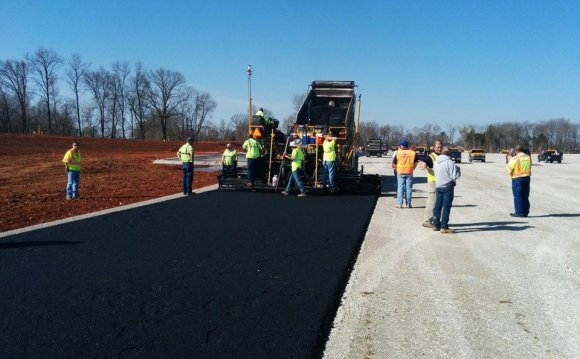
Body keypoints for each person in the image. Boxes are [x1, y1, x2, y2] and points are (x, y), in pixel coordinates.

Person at [431, 146, 461, 233]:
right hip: (448, 187)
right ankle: (444, 227)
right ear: (449, 153)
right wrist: (458, 170)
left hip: (438, 186)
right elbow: (455, 176)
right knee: (446, 207)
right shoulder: (450, 163)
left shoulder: (436, 161)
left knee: (437, 206)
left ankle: (436, 224)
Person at [420, 140, 443, 227]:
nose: (439, 148)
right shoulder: (431, 157)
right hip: (433, 182)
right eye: (438, 147)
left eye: (440, 147)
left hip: (441, 182)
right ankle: (427, 221)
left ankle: (435, 220)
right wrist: (423, 164)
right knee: (432, 202)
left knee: (438, 203)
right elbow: (423, 160)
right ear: (434, 147)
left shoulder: (442, 156)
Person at [506, 145, 532, 217]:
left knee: (518, 196)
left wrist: (509, 159)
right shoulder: (528, 157)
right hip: (527, 178)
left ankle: (519, 212)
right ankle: (525, 212)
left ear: (516, 151)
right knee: (525, 196)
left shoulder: (514, 158)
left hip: (517, 179)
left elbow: (509, 169)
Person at [391, 140, 417, 208]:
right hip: (409, 172)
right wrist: (413, 168)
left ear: (402, 146)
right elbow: (415, 162)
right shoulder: (412, 153)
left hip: (400, 172)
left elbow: (394, 163)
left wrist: (397, 169)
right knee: (409, 188)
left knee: (400, 188)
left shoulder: (398, 153)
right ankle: (408, 204)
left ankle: (400, 204)